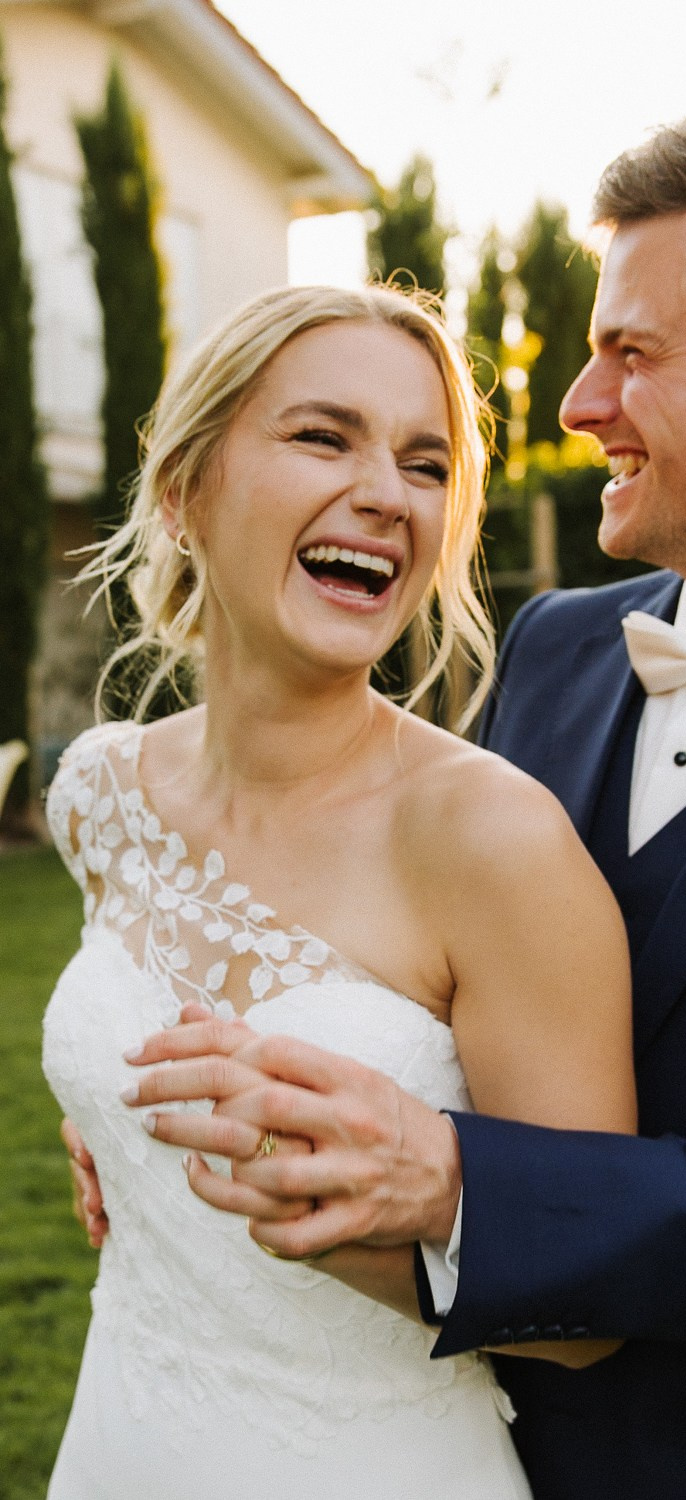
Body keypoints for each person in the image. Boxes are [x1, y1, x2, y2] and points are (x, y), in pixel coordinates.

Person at [79, 106, 686, 1500]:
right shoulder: (564, 643)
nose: (575, 406)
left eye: (630, 351)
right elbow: (403, 966)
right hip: (406, 1412)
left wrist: (461, 1187)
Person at [44, 283, 638, 1500]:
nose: (385, 492)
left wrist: (317, 1196)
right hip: (122, 1432)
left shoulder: (493, 842)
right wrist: (113, 1127)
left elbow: (594, 1300)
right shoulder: (98, 792)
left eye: (425, 464)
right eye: (324, 436)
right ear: (183, 487)